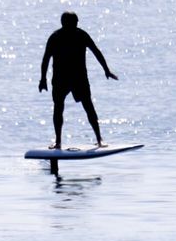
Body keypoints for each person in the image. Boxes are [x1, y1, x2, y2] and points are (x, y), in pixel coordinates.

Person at [38, 11, 118, 149]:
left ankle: (99, 139)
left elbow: (96, 51)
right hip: (60, 78)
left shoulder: (81, 35)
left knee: (88, 106)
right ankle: (58, 141)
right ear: (64, 23)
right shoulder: (55, 37)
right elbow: (46, 58)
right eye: (72, 23)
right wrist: (43, 79)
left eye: (75, 23)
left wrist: (106, 69)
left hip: (79, 78)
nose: (75, 25)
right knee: (58, 108)